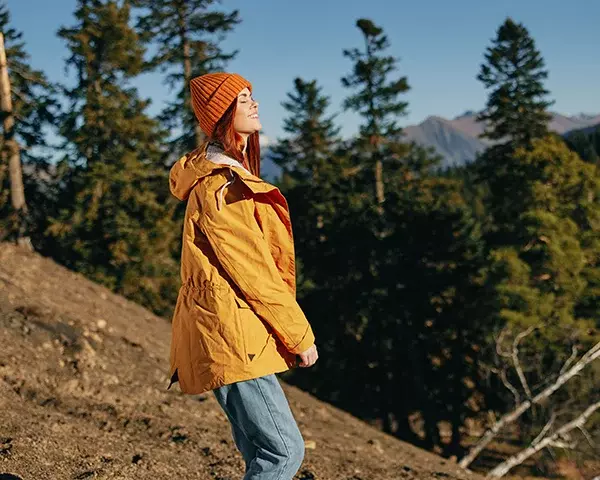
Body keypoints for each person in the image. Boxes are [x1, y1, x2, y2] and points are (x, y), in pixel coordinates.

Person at [167, 72, 318, 479]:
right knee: (284, 452)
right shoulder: (222, 186)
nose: (253, 104)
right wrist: (299, 334)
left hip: (231, 331)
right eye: (243, 99)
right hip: (231, 337)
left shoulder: (222, 176)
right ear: (222, 114)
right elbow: (253, 271)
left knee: (261, 452)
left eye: (252, 96)